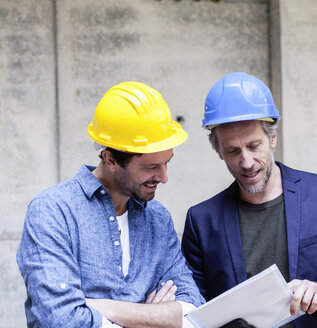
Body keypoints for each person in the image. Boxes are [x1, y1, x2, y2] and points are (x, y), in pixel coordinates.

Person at [181, 72, 317, 328]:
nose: (246, 162)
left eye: (254, 146)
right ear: (219, 152)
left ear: (272, 138)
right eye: (233, 151)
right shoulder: (201, 221)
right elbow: (194, 312)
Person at [17, 82, 204, 328]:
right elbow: (60, 320)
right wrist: (155, 317)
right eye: (150, 167)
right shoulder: (53, 212)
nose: (164, 177)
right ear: (111, 159)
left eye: (166, 162)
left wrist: (98, 306)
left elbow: (193, 312)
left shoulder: (158, 219)